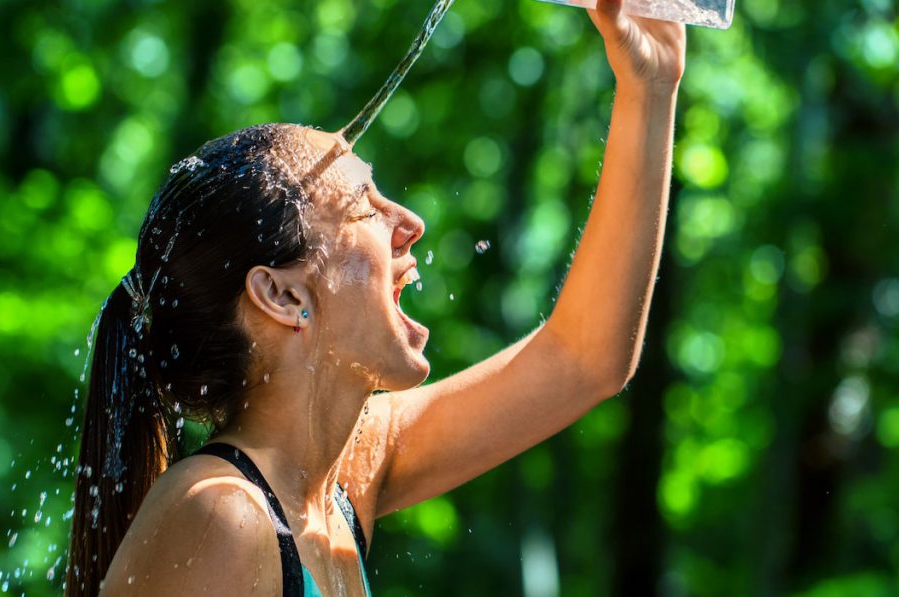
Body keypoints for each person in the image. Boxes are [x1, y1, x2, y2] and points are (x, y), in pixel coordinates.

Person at [65, 0, 686, 594]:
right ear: (281, 295)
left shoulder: (337, 483)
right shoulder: (220, 516)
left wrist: (649, 86)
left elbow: (584, 359)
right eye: (366, 206)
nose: (410, 222)